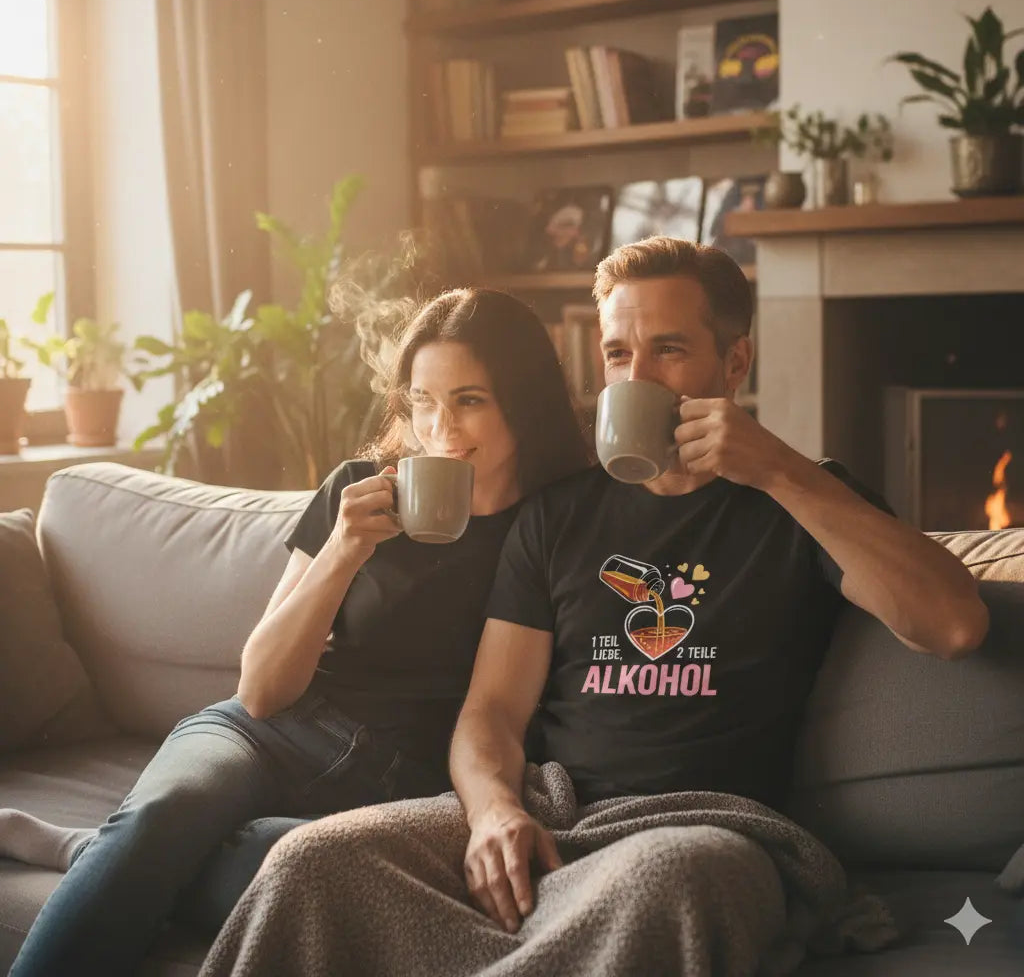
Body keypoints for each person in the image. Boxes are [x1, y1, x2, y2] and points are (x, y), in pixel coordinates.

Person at [195, 237, 990, 977]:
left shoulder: (802, 498)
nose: (637, 377)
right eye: (618, 354)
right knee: (312, 862)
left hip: (710, 827)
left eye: (669, 350)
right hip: (554, 806)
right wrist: (494, 812)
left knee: (667, 878)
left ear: (736, 359)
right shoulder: (559, 514)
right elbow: (491, 714)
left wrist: (780, 470)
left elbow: (954, 624)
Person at [1, 286, 590, 977]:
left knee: (293, 864)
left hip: (401, 782)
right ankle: (135, 848)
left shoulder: (556, 526)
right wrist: (343, 549)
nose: (441, 427)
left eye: (469, 400)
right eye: (423, 400)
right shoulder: (357, 492)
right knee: (170, 809)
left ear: (522, 401)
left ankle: (115, 857)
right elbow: (260, 690)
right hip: (270, 733)